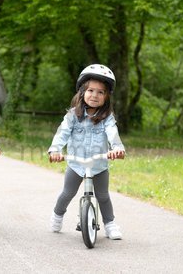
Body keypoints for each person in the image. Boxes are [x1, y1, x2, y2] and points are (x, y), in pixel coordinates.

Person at [48, 64, 125, 240]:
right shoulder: (72, 116)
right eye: (91, 90)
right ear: (82, 92)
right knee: (67, 193)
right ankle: (57, 216)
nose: (95, 95)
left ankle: (110, 224)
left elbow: (113, 134)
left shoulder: (107, 119)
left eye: (100, 92)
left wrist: (117, 148)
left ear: (107, 97)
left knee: (103, 196)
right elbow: (62, 134)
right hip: (76, 163)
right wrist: (55, 150)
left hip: (98, 164)